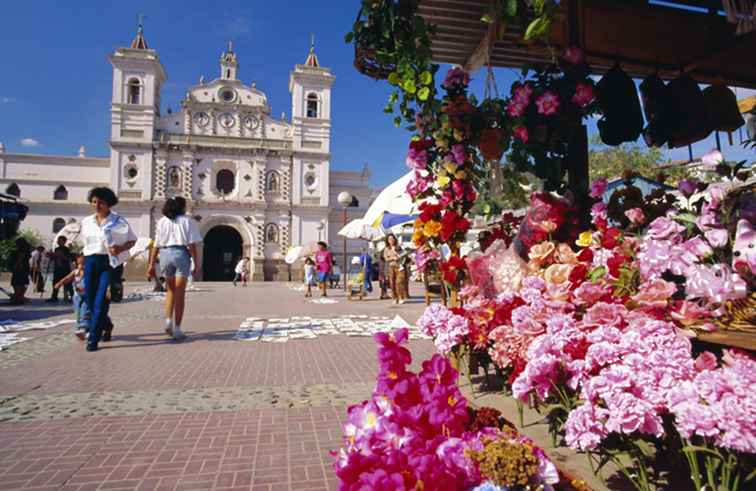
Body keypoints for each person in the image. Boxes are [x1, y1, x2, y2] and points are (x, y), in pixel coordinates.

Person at [81, 186, 137, 352]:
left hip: (109, 263)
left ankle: (93, 337)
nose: (97, 205)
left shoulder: (118, 221)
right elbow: (85, 244)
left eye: (101, 202)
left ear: (109, 204)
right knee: (89, 299)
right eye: (94, 202)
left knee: (100, 300)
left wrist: (120, 249)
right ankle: (107, 324)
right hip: (90, 261)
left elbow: (132, 240)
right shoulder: (86, 222)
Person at [147, 197, 201, 341]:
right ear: (181, 207)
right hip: (180, 254)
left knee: (170, 290)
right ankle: (177, 329)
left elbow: (156, 244)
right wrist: (196, 262)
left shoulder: (162, 222)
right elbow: (192, 245)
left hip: (164, 255)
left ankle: (168, 321)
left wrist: (151, 264)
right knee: (180, 293)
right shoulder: (188, 221)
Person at [53, 255, 90, 340]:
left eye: (84, 264)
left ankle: (85, 328)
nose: (81, 266)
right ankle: (80, 328)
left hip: (87, 295)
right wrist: (59, 283)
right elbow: (67, 278)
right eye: (79, 264)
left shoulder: (89, 272)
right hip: (77, 295)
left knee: (85, 310)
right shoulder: (75, 272)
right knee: (78, 311)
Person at [47, 236, 74, 303]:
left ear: (64, 242)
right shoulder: (56, 249)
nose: (58, 242)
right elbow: (54, 258)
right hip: (58, 268)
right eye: (58, 240)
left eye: (60, 240)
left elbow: (68, 259)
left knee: (68, 284)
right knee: (55, 283)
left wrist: (61, 256)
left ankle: (73, 297)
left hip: (65, 269)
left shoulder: (66, 249)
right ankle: (54, 297)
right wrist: (51, 255)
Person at [382, 233, 407, 304]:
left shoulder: (399, 247)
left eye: (392, 238)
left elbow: (404, 254)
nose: (391, 240)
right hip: (391, 267)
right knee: (392, 283)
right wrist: (393, 257)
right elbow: (386, 258)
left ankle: (401, 297)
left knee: (399, 282)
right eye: (389, 239)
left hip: (400, 267)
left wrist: (400, 256)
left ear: (395, 239)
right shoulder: (386, 249)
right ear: (387, 240)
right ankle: (394, 298)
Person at [7, 238, 31, 305]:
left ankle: (18, 297)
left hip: (19, 271)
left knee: (18, 284)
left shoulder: (20, 252)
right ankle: (19, 297)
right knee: (22, 284)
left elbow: (15, 263)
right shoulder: (26, 252)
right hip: (22, 271)